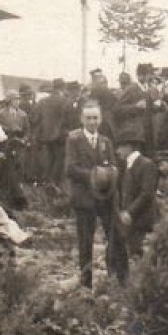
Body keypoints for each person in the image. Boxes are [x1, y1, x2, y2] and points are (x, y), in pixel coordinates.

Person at [64, 102, 115, 289]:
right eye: (89, 118)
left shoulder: (105, 141)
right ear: (82, 119)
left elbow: (112, 166)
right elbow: (70, 168)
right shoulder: (74, 139)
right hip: (84, 197)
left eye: (95, 118)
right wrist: (94, 175)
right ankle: (86, 283)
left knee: (112, 237)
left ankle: (113, 279)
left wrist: (108, 175)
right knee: (85, 241)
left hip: (104, 197)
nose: (92, 122)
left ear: (100, 119)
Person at [108, 131, 157, 285]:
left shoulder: (146, 165)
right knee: (115, 250)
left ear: (129, 147)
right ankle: (120, 283)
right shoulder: (127, 165)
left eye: (120, 148)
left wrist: (130, 212)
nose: (117, 152)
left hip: (140, 218)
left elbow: (147, 194)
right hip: (127, 217)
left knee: (134, 251)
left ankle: (141, 283)